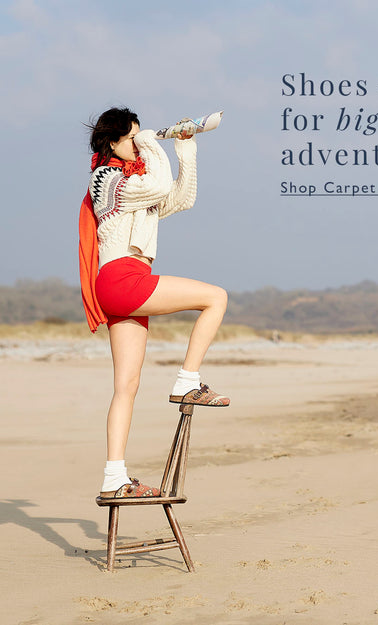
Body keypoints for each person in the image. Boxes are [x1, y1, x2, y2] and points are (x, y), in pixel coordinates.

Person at [78, 107, 229, 499]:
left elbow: (180, 198)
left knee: (126, 386)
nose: (138, 143)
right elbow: (159, 187)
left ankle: (114, 477)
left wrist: (186, 148)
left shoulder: (138, 182)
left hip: (129, 285)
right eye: (131, 138)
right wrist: (150, 143)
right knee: (216, 297)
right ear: (112, 142)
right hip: (120, 279)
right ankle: (187, 381)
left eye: (140, 137)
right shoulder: (106, 179)